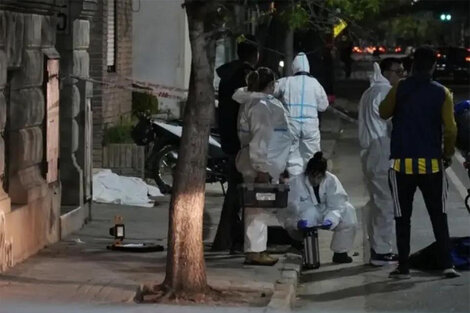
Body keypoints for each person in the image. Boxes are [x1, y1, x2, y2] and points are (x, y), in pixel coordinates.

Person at [379, 46, 460, 279]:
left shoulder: (400, 88)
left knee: (402, 217)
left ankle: (403, 267)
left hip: (401, 166)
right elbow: (451, 129)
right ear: (434, 66)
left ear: (413, 65)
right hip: (432, 166)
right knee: (439, 215)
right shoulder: (442, 92)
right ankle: (447, 264)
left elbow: (383, 112)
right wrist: (448, 154)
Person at [233, 67, 293, 266]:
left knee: (257, 207)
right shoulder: (260, 106)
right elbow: (261, 140)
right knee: (257, 208)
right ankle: (255, 251)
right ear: (270, 85)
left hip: (261, 163)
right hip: (258, 165)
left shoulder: (254, 103)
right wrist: (261, 169)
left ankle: (256, 249)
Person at [212, 36, 259, 252]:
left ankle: (230, 238)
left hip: (227, 136)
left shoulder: (227, 76)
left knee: (235, 188)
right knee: (239, 191)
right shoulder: (245, 77)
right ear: (253, 55)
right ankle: (232, 239)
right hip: (241, 140)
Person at [358, 59, 404, 266]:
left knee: (377, 202)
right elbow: (394, 123)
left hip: (369, 152)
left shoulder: (369, 92)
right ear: (387, 72)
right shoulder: (385, 92)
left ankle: (377, 248)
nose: (402, 74)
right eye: (398, 71)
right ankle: (382, 251)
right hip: (381, 150)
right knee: (385, 203)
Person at [281, 152, 358, 263]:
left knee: (348, 211)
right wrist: (296, 223)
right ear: (308, 173)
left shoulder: (331, 180)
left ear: (323, 175)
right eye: (313, 176)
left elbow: (338, 204)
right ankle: (301, 245)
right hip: (304, 215)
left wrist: (331, 219)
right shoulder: (296, 183)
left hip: (325, 212)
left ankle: (340, 253)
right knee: (306, 217)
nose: (316, 181)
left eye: (319, 177)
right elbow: (289, 209)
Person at [274, 52, 329, 176]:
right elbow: (323, 106)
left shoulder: (286, 82)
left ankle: (295, 186)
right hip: (310, 127)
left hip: (291, 125)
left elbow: (270, 91)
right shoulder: (315, 84)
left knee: (292, 158)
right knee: (312, 156)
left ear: (294, 67)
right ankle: (311, 187)